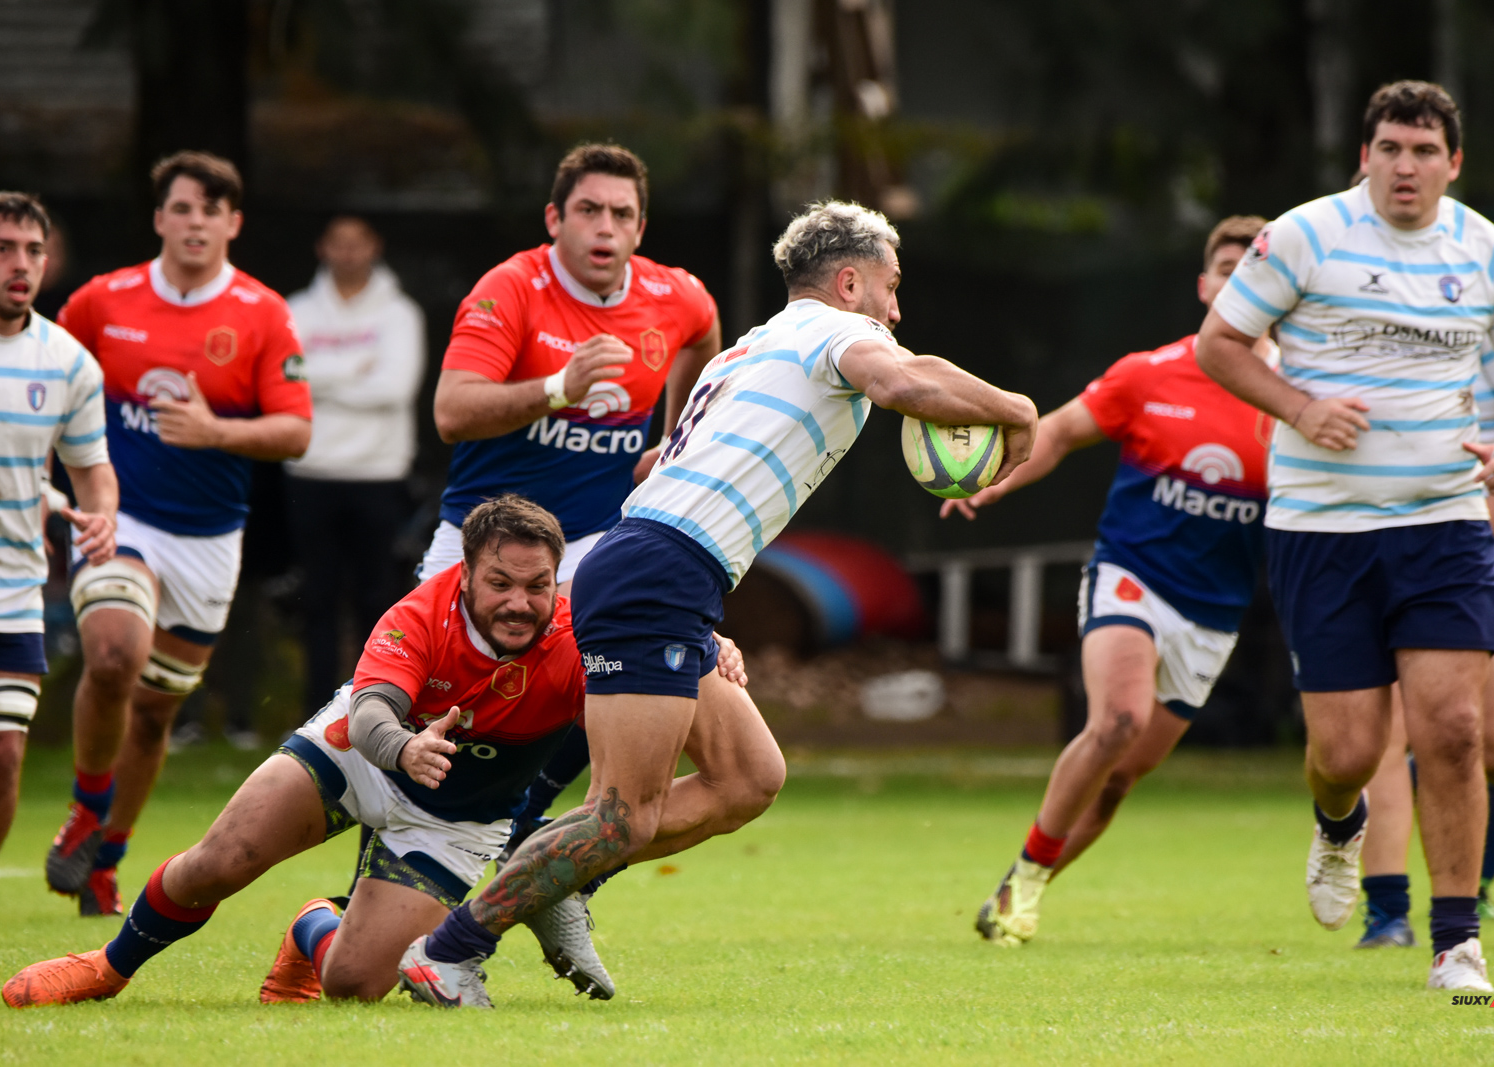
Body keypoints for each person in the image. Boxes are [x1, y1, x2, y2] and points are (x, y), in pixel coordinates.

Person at [392, 200, 1040, 1008]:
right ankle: (449, 951)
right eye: (890, 287)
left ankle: (560, 876)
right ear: (849, 281)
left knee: (747, 777)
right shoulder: (835, 335)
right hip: (657, 572)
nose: (896, 310)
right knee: (622, 815)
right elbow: (905, 377)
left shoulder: (751, 348)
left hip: (665, 569)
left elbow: (652, 465)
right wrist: (1016, 407)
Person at [3, 495, 741, 1008]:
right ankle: (105, 968)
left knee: (356, 984)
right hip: (357, 756)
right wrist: (403, 746)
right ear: (466, 574)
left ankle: (313, 924)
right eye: (500, 583)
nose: (520, 601)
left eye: (537, 585)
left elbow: (657, 647)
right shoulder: (421, 612)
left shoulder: (583, 627)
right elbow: (370, 711)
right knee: (217, 861)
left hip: (456, 820)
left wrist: (713, 645)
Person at [1196, 81, 1494, 993]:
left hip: (1444, 524)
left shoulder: (1489, 252)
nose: (1407, 166)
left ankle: (1457, 944)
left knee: (1450, 726)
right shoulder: (1304, 235)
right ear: (1365, 156)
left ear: (1454, 163)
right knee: (1348, 753)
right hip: (1322, 528)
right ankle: (1336, 823)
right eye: (1392, 149)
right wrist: (1301, 406)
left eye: (1425, 151)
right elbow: (1220, 343)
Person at [952, 216, 1277, 946]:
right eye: (1227, 267)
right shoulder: (1148, 374)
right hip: (1132, 576)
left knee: (1122, 777)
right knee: (1117, 720)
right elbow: (1060, 430)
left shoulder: (1296, 396)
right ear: (1204, 285)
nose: (1238, 281)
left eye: (1256, 268)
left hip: (1214, 613)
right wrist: (996, 479)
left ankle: (1018, 881)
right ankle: (1027, 887)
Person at [420, 143, 723, 848]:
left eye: (622, 214)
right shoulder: (512, 288)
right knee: (443, 722)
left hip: (592, 538)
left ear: (641, 229)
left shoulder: (672, 294)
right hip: (480, 536)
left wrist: (674, 443)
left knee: (619, 678)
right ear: (555, 218)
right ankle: (389, 875)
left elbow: (702, 334)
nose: (605, 228)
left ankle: (530, 825)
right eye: (589, 210)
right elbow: (451, 411)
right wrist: (561, 388)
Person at [43, 151, 312, 916]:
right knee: (114, 654)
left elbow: (295, 432)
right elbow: (44, 377)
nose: (197, 222)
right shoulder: (102, 302)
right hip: (120, 516)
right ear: (159, 217)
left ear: (235, 223)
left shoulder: (262, 312)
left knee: (157, 708)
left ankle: (107, 856)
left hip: (209, 540)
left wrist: (212, 430)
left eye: (214, 209)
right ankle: (87, 808)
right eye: (183, 207)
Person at [1356, 325, 1494, 948]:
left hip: (1488, 546)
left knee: (1476, 739)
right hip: (1382, 541)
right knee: (1388, 731)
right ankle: (1388, 914)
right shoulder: (1355, 317)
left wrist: (1487, 523)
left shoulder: (1483, 314)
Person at [0, 192, 117, 865]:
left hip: (12, 582)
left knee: (4, 751)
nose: (21, 264)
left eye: (33, 250)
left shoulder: (67, 362)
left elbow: (91, 469)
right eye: (2, 248)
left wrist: (100, 519)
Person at [285, 215, 425, 714]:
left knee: (377, 603)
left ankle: (371, 710)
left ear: (374, 247)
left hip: (379, 475)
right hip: (310, 474)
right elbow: (287, 382)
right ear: (322, 247)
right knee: (317, 604)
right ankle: (316, 718)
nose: (347, 253)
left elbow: (394, 389)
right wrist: (356, 369)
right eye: (337, 243)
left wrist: (320, 380)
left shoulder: (400, 314)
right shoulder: (294, 310)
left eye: (357, 243)